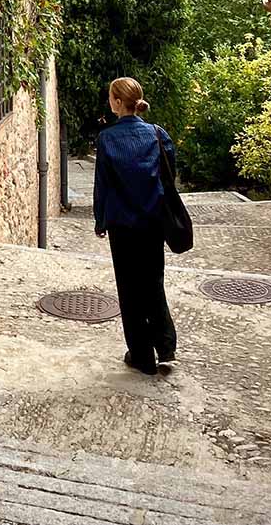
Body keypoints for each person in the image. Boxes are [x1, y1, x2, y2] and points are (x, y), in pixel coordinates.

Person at [93, 76, 177, 376]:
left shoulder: (107, 139)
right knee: (153, 281)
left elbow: (102, 183)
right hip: (153, 220)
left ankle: (142, 355)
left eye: (110, 97)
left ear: (117, 102)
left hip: (122, 224)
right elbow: (170, 174)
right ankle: (166, 345)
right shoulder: (156, 134)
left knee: (129, 288)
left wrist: (100, 219)